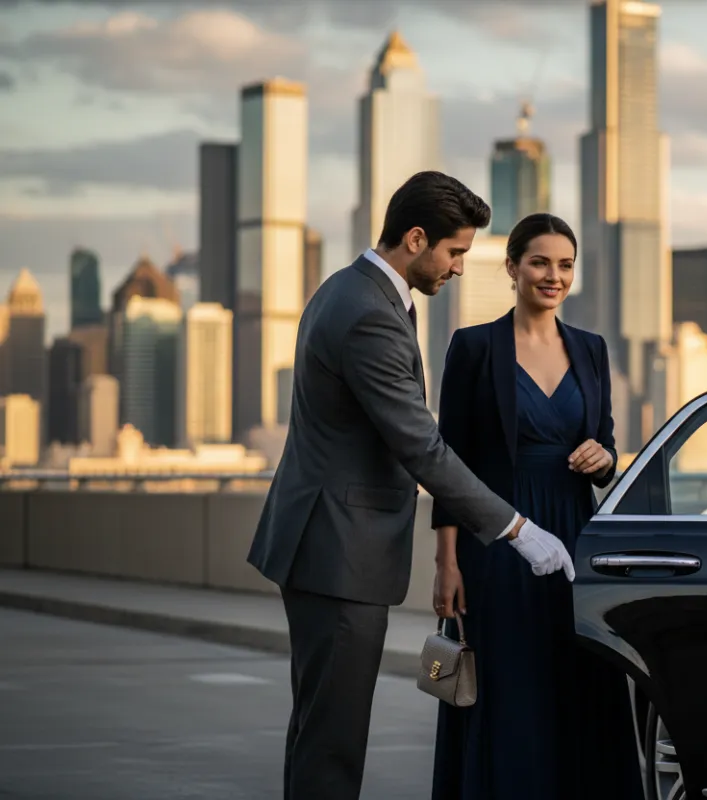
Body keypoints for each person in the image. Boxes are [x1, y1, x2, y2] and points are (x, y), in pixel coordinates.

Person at [246, 173, 576, 800]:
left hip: (327, 542)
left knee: (320, 729)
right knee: (333, 741)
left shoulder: (355, 290)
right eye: (454, 252)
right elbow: (420, 444)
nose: (457, 268)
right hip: (337, 549)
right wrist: (517, 528)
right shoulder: (368, 312)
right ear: (416, 238)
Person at [429, 213, 643, 799]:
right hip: (497, 539)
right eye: (541, 262)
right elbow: (450, 462)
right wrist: (447, 562)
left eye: (566, 265)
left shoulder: (593, 350)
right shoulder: (473, 347)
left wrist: (604, 458)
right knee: (508, 683)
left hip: (576, 537)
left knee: (580, 678)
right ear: (513, 266)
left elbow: (605, 444)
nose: (554, 276)